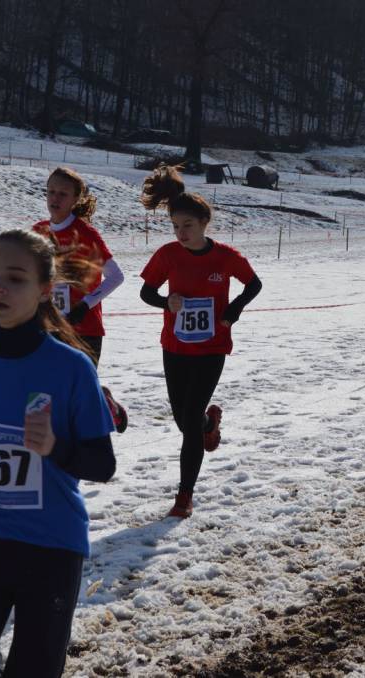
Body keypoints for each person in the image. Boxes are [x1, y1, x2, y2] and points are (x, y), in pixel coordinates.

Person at [0, 229, 116, 677]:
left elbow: (102, 464)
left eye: (14, 277)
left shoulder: (71, 367)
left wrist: (54, 447)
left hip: (48, 545)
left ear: (45, 289)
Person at [138, 165, 262, 518]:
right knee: (185, 420)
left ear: (204, 223)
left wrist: (233, 310)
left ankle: (184, 496)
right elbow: (146, 292)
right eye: (175, 227)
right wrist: (166, 302)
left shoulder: (225, 256)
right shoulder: (167, 254)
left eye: (187, 226)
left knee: (188, 416)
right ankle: (209, 426)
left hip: (211, 347)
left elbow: (254, 284)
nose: (180, 233)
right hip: (175, 346)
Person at [31, 166, 127, 431]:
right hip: (48, 327)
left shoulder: (85, 234)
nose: (55, 199)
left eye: (63, 194)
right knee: (44, 393)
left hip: (84, 329)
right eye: (51, 192)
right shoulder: (37, 232)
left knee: (74, 397)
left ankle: (103, 402)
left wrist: (85, 305)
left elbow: (116, 277)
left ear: (76, 199)